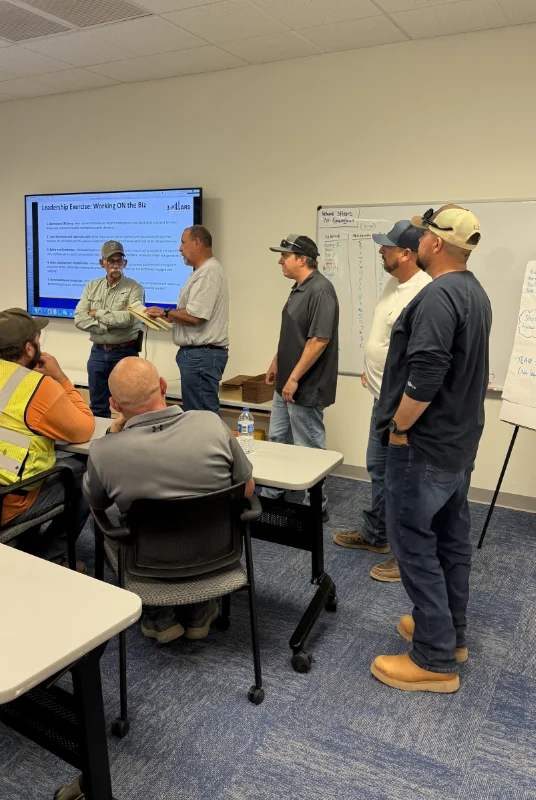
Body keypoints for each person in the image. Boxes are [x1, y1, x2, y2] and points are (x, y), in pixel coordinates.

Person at [370, 205, 490, 693]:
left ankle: (435, 659)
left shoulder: (439, 295)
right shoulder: (474, 291)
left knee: (412, 542)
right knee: (450, 539)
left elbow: (426, 375)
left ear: (436, 244)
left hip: (424, 445)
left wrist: (399, 429)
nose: (415, 240)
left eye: (421, 235)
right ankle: (450, 635)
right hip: (458, 442)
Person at [83, 357, 254, 644]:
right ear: (163, 386)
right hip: (215, 551)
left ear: (114, 405)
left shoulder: (104, 451)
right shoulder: (211, 424)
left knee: (102, 519)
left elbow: (96, 504)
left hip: (149, 560)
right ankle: (200, 610)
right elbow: (247, 490)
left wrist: (112, 435)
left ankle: (158, 616)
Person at [333, 221, 431, 582]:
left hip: (402, 406)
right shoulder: (394, 283)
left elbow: (423, 359)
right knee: (379, 470)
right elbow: (390, 341)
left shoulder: (424, 292)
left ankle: (408, 558)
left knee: (404, 480)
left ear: (406, 254)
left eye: (387, 247)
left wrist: (399, 404)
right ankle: (376, 535)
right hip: (381, 396)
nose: (380, 251)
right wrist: (372, 369)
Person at [0, 308, 94, 569]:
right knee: (87, 473)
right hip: (9, 501)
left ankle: (25, 545)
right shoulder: (36, 385)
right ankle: (50, 558)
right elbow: (84, 428)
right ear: (30, 349)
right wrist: (60, 378)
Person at [262, 234, 339, 520]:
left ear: (302, 259)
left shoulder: (321, 290)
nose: (280, 261)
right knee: (277, 438)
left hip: (305, 384)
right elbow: (293, 334)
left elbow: (319, 340)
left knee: (309, 447)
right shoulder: (298, 288)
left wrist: (293, 378)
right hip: (287, 380)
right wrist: (276, 362)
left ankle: (315, 506)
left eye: (285, 256)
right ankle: (272, 493)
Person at [145, 225, 229, 413]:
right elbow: (192, 313)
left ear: (197, 243)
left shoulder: (208, 272)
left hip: (201, 356)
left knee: (201, 416)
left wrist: (166, 312)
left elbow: (195, 316)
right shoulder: (201, 272)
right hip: (199, 356)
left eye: (183, 243)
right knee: (197, 414)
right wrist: (165, 317)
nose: (180, 248)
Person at [74, 240, 143, 418]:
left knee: (129, 406)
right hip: (97, 353)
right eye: (111, 261)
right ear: (102, 263)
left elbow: (129, 319)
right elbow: (79, 318)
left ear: (125, 263)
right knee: (97, 407)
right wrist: (107, 325)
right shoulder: (91, 286)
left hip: (124, 352)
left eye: (119, 261)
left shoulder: (134, 288)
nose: (115, 265)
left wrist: (97, 313)